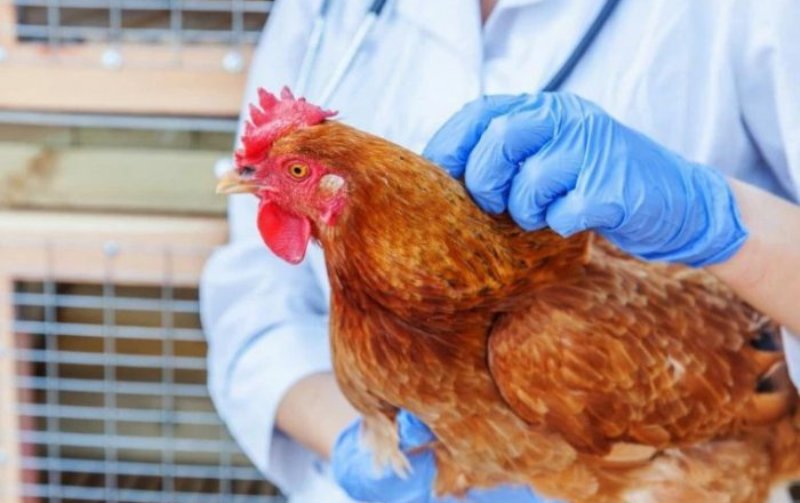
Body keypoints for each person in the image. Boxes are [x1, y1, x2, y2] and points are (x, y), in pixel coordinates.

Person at [200, 1, 800, 502]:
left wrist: (717, 219)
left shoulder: (545, 347)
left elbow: (754, 416)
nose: (244, 176)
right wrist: (357, 446)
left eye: (297, 171)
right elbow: (259, 295)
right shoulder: (365, 344)